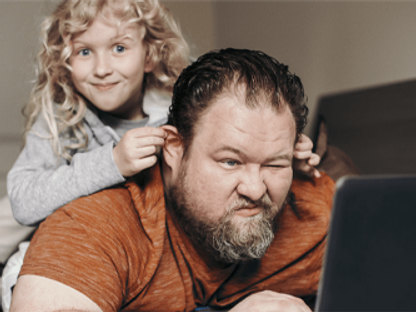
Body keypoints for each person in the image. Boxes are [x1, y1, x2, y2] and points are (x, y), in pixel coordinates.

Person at [10, 48, 334, 312]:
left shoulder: (318, 213)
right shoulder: (94, 227)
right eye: (230, 161)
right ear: (174, 148)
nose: (255, 189)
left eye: (275, 165)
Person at [1, 0, 189, 310]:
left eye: (119, 48)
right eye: (85, 52)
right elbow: (21, 199)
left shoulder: (180, 112)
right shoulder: (60, 119)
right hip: (68, 263)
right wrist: (112, 163)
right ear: (65, 61)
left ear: (150, 56)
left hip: (152, 265)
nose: (102, 69)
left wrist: (291, 155)